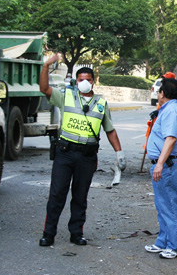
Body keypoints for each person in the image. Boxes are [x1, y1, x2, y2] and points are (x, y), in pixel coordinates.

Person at [38, 53, 126, 247]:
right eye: (81, 80)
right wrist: (46, 66)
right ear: (76, 81)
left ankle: (76, 233)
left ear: (93, 82)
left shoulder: (101, 104)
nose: (84, 82)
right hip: (65, 153)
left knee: (80, 196)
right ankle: (48, 233)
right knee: (57, 194)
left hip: (87, 156)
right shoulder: (66, 96)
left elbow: (109, 130)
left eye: (88, 80)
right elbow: (44, 88)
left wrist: (119, 153)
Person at [145, 77, 177, 259]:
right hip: (166, 163)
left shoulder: (171, 110)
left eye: (159, 90)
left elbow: (170, 139)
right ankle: (163, 241)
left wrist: (160, 164)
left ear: (162, 93)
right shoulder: (168, 109)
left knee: (170, 204)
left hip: (169, 163)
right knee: (163, 204)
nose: (157, 93)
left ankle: (174, 246)